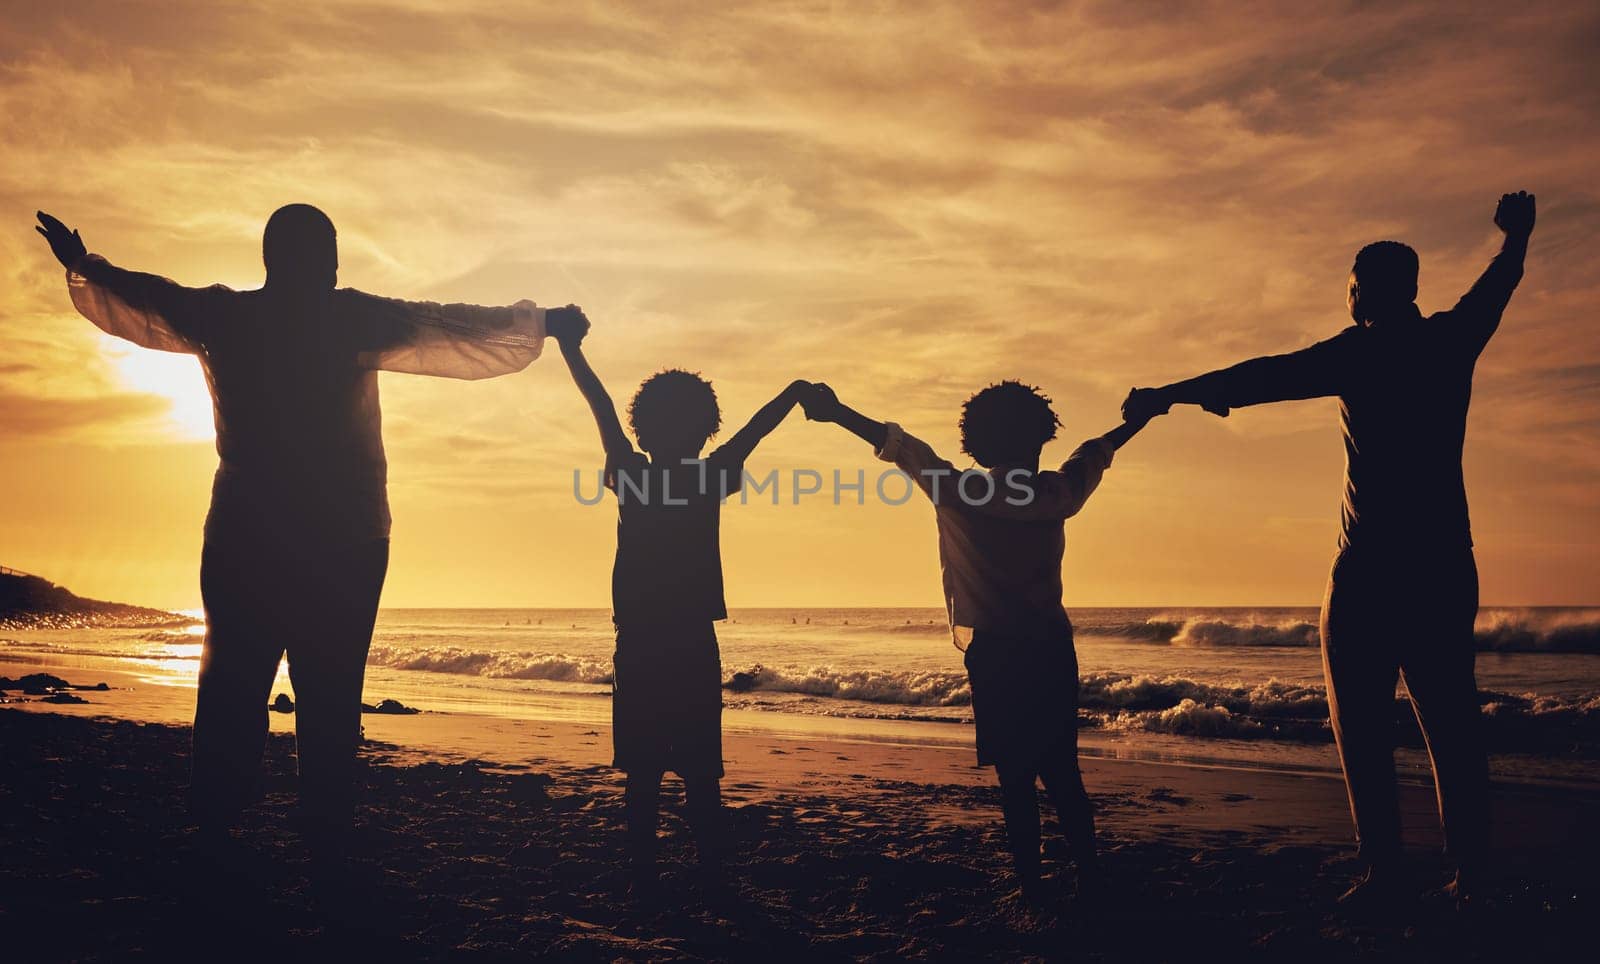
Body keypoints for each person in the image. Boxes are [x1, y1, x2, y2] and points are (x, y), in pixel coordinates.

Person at [34, 205, 589, 881]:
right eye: (327, 256)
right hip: (341, 534)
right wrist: (544, 322)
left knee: (234, 680)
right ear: (324, 261)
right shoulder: (345, 315)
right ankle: (317, 830)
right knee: (325, 687)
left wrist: (84, 264)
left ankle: (219, 822)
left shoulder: (228, 316)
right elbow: (450, 323)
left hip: (254, 529)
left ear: (271, 259)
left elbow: (146, 296)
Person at [1123, 191, 1537, 906]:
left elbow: (1261, 376)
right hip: (1444, 561)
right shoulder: (1451, 338)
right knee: (1452, 722)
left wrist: (1171, 392)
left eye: (1349, 286)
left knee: (1362, 724)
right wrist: (1515, 238)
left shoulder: (1359, 351)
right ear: (1410, 288)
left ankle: (1384, 871)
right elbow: (1499, 284)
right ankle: (1471, 874)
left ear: (1360, 291)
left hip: (1370, 565)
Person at [800, 379, 1157, 907]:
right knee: (1063, 772)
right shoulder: (1057, 493)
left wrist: (835, 412)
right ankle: (1088, 874)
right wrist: (1142, 418)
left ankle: (1032, 887)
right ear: (1040, 440)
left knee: (1015, 779)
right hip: (1050, 649)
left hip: (994, 653)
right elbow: (1096, 453)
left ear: (977, 446)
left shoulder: (957, 489)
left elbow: (899, 444)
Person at [552, 318, 811, 899]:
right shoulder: (710, 474)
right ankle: (712, 874)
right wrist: (795, 393)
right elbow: (755, 431)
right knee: (701, 771)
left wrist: (569, 347)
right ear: (703, 429)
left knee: (642, 774)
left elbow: (596, 402)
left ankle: (644, 875)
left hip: (640, 641)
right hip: (692, 640)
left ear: (642, 428)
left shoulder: (632, 472)